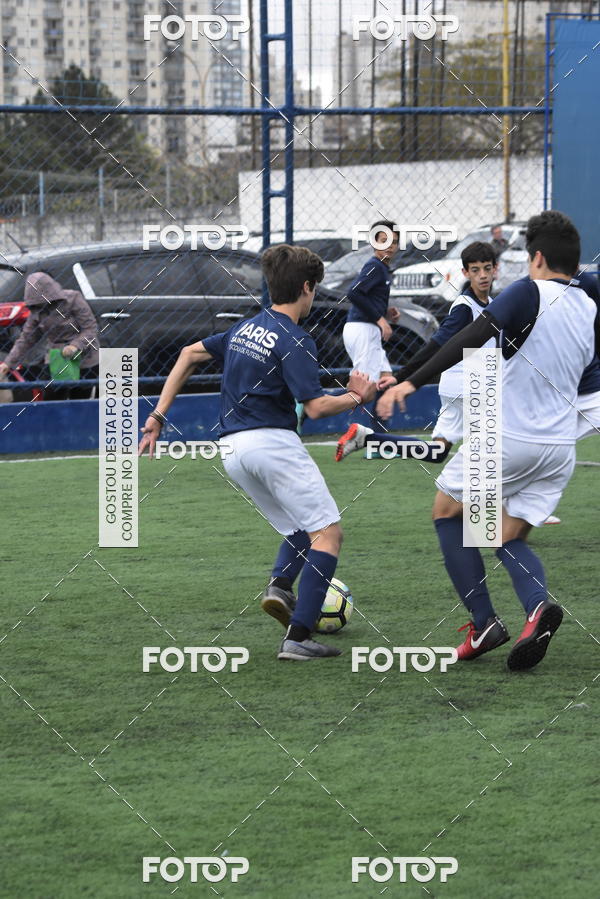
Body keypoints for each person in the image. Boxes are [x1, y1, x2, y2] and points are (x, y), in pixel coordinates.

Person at [376, 211, 596, 671]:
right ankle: (536, 607)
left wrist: (409, 383)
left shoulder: (529, 291)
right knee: (501, 532)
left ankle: (483, 624)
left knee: (445, 511)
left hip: (508, 441)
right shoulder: (589, 304)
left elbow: (472, 335)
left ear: (536, 257)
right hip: (558, 451)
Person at [138, 244, 376, 661]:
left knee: (301, 529)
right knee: (328, 534)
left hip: (231, 450)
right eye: (314, 289)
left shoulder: (246, 328)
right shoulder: (296, 338)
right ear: (306, 287)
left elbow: (188, 354)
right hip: (272, 445)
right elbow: (317, 407)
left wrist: (157, 415)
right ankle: (298, 637)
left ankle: (281, 587)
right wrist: (357, 396)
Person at [336, 241, 498, 464]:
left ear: (495, 270)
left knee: (437, 451)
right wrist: (401, 377)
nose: (483, 275)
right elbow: (436, 345)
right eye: (475, 270)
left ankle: (369, 439)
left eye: (487, 269)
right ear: (465, 273)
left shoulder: (491, 304)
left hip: (460, 388)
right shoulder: (464, 307)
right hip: (470, 388)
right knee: (497, 449)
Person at [0, 271, 99, 396]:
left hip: (85, 356)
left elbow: (90, 328)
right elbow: (26, 339)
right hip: (57, 358)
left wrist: (75, 346)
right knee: (52, 396)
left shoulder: (73, 298)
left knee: (80, 398)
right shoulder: (37, 310)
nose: (41, 307)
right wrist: (8, 363)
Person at [342, 220, 400, 425]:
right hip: (362, 329)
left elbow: (368, 298)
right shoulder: (374, 266)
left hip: (368, 330)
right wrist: (380, 320)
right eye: (384, 241)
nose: (390, 246)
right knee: (364, 386)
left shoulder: (382, 268)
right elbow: (355, 292)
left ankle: (378, 437)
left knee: (385, 378)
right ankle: (352, 428)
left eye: (394, 242)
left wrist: (386, 313)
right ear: (375, 243)